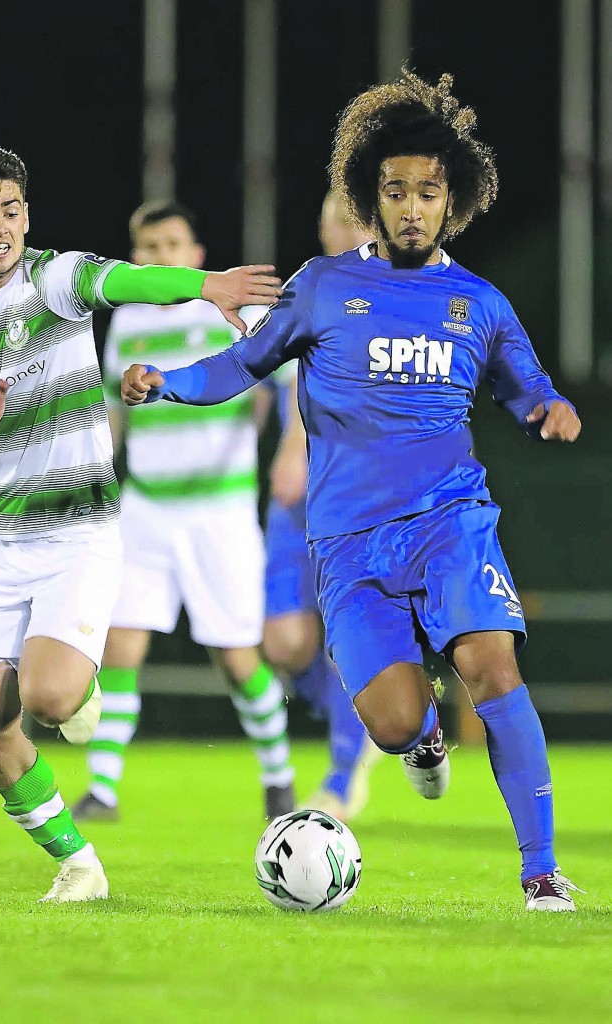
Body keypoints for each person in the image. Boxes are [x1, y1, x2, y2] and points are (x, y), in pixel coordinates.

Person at [118, 71, 585, 911]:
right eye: (394, 191)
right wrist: (169, 383)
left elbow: (526, 387)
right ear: (370, 198)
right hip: (346, 541)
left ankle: (541, 870)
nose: (411, 207)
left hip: (449, 521)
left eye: (427, 193)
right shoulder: (324, 285)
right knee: (394, 722)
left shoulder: (477, 302)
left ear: (454, 202)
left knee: (491, 664)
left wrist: (548, 410)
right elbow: (242, 364)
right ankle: (423, 738)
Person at [0, 143, 281, 903]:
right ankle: (78, 863)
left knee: (45, 700)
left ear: (26, 214)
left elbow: (130, 279)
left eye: (10, 209)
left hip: (76, 529)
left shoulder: (56, 278)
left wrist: (206, 284)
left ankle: (81, 695)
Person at [72, 200, 295, 823]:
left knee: (236, 657)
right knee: (119, 646)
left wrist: (290, 449)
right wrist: (95, 479)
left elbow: (289, 383)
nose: (157, 257)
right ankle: (104, 789)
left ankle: (278, 775)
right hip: (145, 507)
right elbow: (115, 417)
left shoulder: (233, 310)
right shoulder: (126, 322)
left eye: (171, 245)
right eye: (146, 247)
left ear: (195, 257)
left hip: (218, 512)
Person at [263, 190, 384, 822]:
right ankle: (387, 714)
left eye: (350, 221)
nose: (337, 232)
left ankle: (344, 774)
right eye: (332, 220)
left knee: (344, 637)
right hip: (296, 495)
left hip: (355, 496)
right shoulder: (307, 290)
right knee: (283, 641)